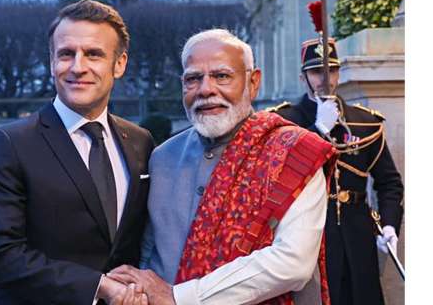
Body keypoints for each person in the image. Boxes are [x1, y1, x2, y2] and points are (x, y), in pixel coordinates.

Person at [108, 29, 337, 305]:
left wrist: (179, 297)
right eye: (193, 79)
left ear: (253, 82)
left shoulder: (293, 154)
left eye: (222, 76)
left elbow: (293, 262)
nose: (206, 89)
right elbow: (148, 255)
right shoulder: (163, 157)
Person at [0, 0, 155, 304]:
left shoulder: (140, 141)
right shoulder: (9, 143)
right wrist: (99, 286)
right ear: (51, 62)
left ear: (119, 64)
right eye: (66, 54)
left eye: (93, 54)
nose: (78, 67)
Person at [269, 36, 404, 305]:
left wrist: (389, 224)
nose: (325, 79)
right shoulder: (285, 122)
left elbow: (389, 182)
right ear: (303, 77)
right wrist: (318, 130)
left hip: (357, 233)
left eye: (331, 70)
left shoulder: (365, 122)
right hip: (309, 235)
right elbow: (278, 175)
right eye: (316, 72)